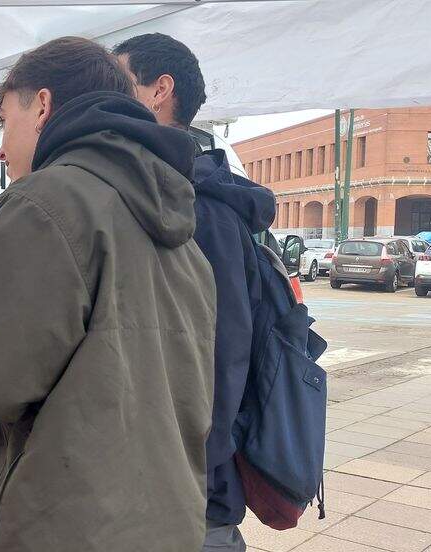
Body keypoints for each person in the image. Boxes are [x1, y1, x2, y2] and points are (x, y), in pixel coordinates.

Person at [0, 37, 216, 550]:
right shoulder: (182, 234)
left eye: (5, 121)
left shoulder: (47, 202)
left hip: (65, 529)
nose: (1, 148)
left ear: (43, 107)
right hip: (164, 524)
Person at [115, 33, 277, 552]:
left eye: (119, 83)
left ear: (159, 91)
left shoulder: (202, 208)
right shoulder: (157, 194)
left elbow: (225, 352)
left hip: (192, 494)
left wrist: (190, 466)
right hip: (152, 479)